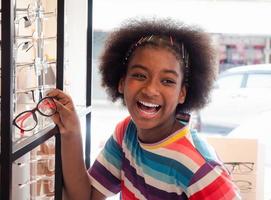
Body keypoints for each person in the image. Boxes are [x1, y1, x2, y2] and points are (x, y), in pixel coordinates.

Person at [48, 18, 241, 200]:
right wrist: (71, 131)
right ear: (121, 82)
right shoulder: (126, 134)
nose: (150, 90)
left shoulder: (196, 165)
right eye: (140, 75)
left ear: (182, 93)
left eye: (167, 81)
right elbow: (86, 195)